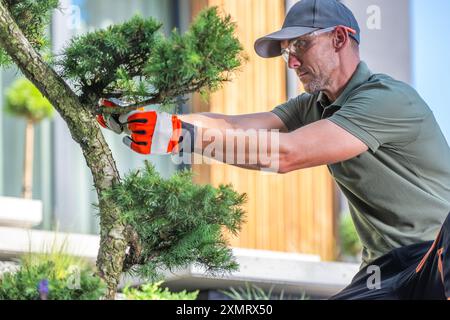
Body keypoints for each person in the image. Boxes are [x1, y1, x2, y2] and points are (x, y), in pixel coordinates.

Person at [97, 0, 450, 300]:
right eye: (286, 54)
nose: (292, 62)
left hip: (435, 252)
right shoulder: (315, 105)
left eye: (300, 46)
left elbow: (286, 154)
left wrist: (183, 138)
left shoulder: (386, 100)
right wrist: (155, 123)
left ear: (339, 38)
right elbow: (234, 126)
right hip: (386, 269)